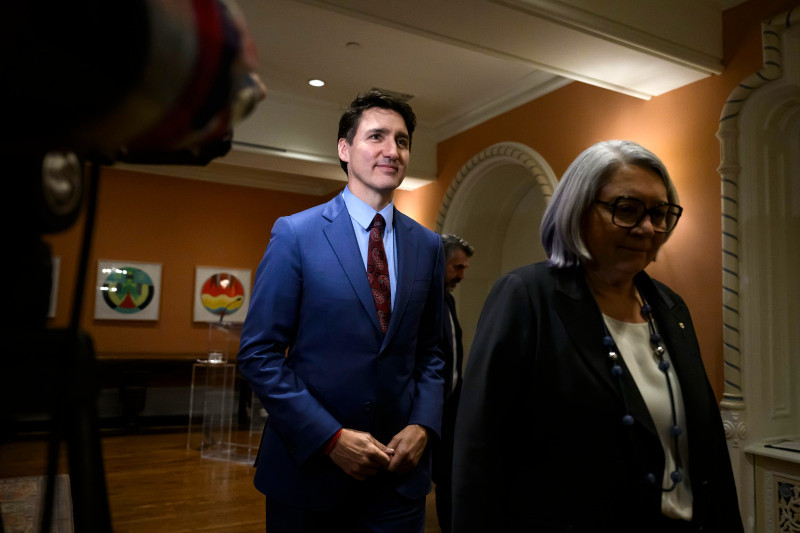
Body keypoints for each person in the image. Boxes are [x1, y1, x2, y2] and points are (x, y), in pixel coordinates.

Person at [452, 140, 743, 533]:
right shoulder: (526, 296)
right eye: (626, 210)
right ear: (577, 209)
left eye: (659, 213)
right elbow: (479, 452)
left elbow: (707, 451)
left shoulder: (670, 306)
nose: (646, 228)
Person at [237, 90, 446, 532]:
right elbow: (259, 355)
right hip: (309, 472)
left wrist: (424, 424)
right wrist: (330, 439)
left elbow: (432, 352)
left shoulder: (428, 246)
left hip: (398, 480)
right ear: (345, 149)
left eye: (403, 141)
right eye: (377, 136)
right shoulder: (296, 234)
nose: (392, 150)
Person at [432, 233, 473, 533]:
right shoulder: (422, 300)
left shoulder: (448, 301)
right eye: (456, 267)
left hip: (448, 410)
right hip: (424, 411)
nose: (461, 274)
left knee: (449, 479)